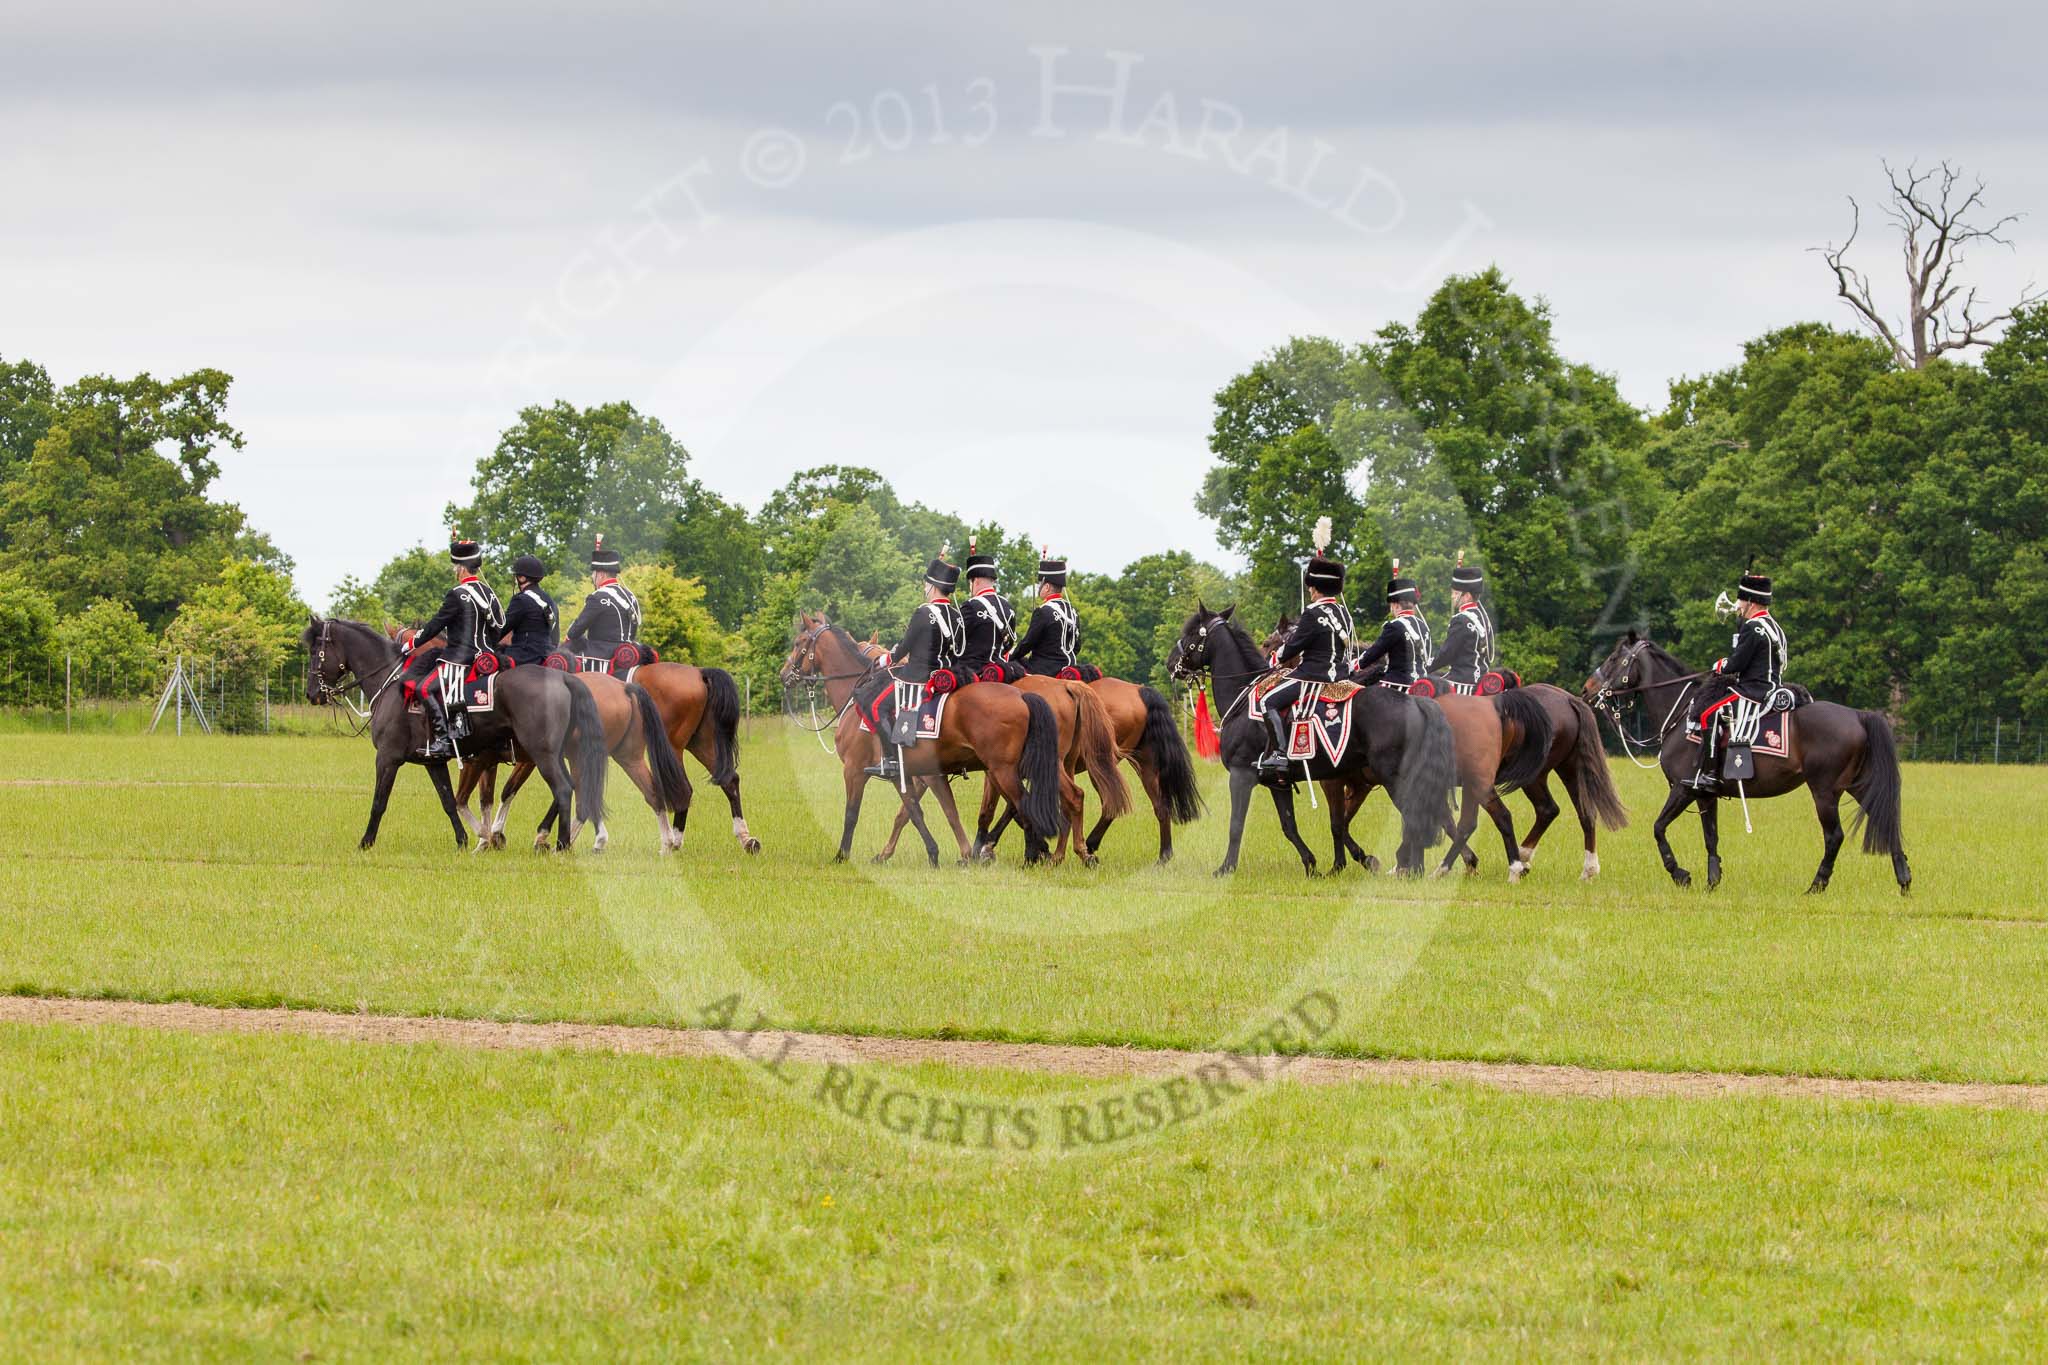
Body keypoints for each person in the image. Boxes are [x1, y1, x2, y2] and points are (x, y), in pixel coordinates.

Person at [857, 553, 965, 781]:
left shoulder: (923, 612)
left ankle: (893, 760)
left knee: (877, 706)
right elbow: (959, 651)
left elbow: (903, 649)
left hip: (918, 677)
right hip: (946, 675)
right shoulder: (957, 616)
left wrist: (884, 660)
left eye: (927, 582)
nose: (925, 586)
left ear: (933, 586)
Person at [401, 534, 505, 760]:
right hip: (487, 659)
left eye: (455, 567)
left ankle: (443, 740)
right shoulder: (489, 594)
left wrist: (411, 643)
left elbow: (434, 626)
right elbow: (500, 626)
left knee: (424, 688)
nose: (454, 571)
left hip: (459, 660)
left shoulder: (457, 594)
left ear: (461, 568)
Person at [1685, 569, 1789, 791]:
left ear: (1751, 601)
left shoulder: (1753, 627)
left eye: (1741, 599)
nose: (1738, 604)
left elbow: (1736, 665)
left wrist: (1720, 664)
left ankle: (1710, 775)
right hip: (1774, 687)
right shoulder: (1775, 627)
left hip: (1752, 691)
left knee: (1707, 715)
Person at [1256, 548, 1355, 777]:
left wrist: (1276, 657)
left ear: (1317, 587)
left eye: (1311, 585)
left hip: (1312, 676)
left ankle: (1280, 753)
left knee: (1268, 701)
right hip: (1340, 676)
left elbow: (1295, 645)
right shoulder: (1344, 614)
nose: (1309, 590)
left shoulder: (1312, 613)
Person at [1351, 560, 1432, 691]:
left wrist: (1354, 665)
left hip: (1397, 685)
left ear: (1395, 605)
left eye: (1391, 606)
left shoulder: (1394, 626)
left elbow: (1375, 652)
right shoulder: (1424, 626)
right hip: (1420, 685)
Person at [564, 534, 641, 667]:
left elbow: (575, 632)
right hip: (629, 651)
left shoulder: (597, 597)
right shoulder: (630, 595)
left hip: (602, 655)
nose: (593, 579)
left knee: (565, 657)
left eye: (593, 575)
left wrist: (569, 635)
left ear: (601, 574)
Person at [1427, 553, 1496, 695]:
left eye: (1455, 593)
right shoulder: (1483, 617)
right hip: (1482, 679)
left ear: (1467, 596)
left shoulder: (1461, 620)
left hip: (1462, 682)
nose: (1452, 597)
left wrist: (1424, 668)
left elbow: (1446, 654)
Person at [955, 539, 1018, 682]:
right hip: (1000, 672)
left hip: (972, 673)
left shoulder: (971, 606)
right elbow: (1010, 642)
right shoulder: (1007, 606)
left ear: (975, 581)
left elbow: (957, 641)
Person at [1012, 549, 1079, 676]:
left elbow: (1027, 643)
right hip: (1070, 668)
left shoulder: (1043, 611)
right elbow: (1076, 646)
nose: (1039, 587)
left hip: (1044, 670)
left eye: (1040, 585)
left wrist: (1010, 657)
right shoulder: (1073, 612)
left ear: (1046, 587)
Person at [498, 554, 559, 666]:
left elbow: (502, 629)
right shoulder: (550, 601)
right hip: (547, 655)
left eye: (516, 576)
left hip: (524, 656)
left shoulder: (521, 600)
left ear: (522, 578)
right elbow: (555, 638)